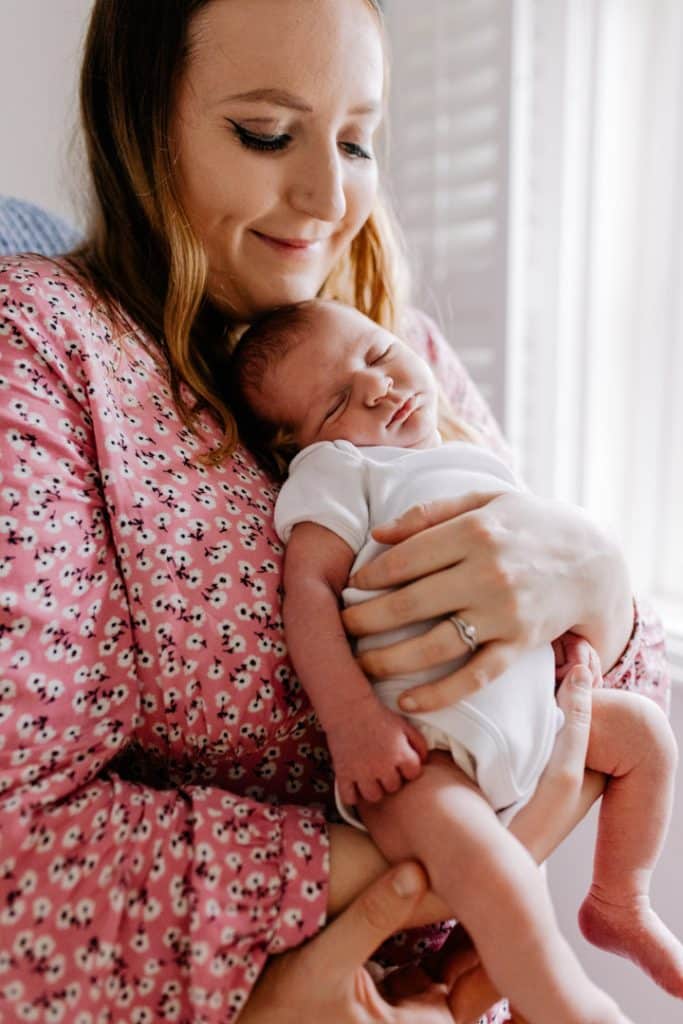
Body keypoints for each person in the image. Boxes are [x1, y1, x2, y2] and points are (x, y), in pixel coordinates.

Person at [0, 1, 670, 1022]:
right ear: (141, 128)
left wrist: (596, 580)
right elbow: (21, 847)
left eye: (356, 139)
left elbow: (646, 674)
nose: (327, 195)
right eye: (265, 134)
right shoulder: (45, 348)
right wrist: (413, 875)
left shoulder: (396, 348)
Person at [229, 296, 683, 1021]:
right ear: (301, 446)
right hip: (421, 750)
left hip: (532, 711)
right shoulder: (341, 471)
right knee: (490, 864)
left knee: (643, 736)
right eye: (339, 399)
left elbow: (532, 577)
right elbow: (306, 596)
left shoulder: (468, 456)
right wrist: (352, 725)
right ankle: (565, 1003)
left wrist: (568, 631)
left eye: (377, 356)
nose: (377, 387)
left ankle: (618, 898)